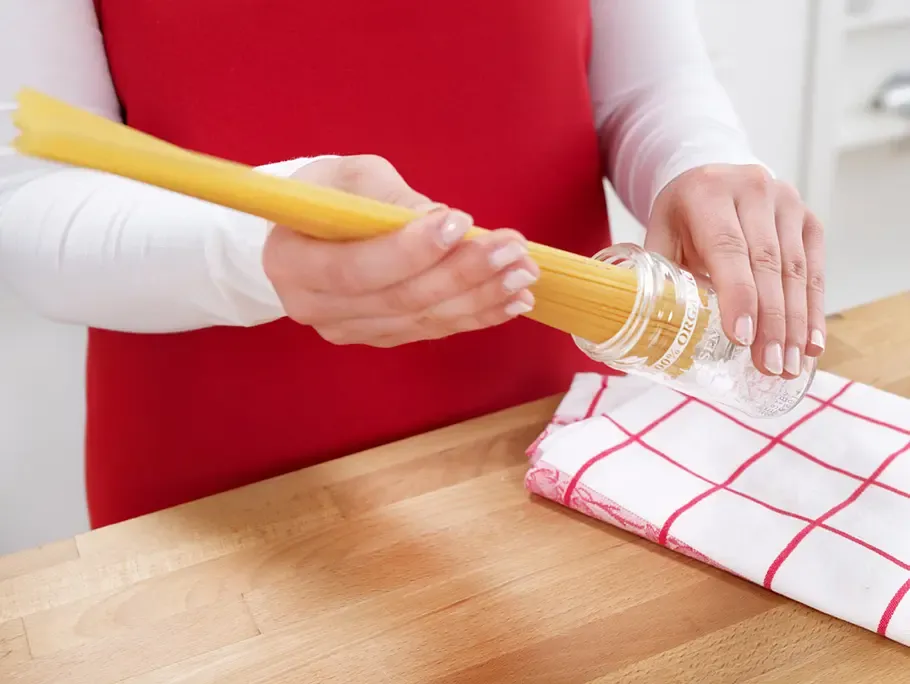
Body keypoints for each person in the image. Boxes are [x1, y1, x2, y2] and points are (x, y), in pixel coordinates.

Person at [0, 0, 825, 528]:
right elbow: (31, 191)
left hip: (549, 436)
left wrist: (697, 164)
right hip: (221, 493)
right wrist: (255, 246)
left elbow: (644, 84)